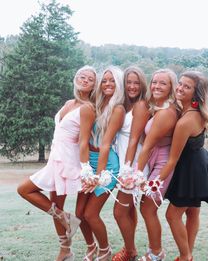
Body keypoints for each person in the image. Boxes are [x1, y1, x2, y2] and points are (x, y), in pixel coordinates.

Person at [17, 65, 97, 261]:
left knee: (24, 189)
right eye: (81, 76)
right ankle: (65, 248)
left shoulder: (87, 108)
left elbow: (84, 141)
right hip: (56, 156)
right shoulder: (69, 102)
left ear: (94, 86)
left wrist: (86, 169)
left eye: (90, 79)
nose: (84, 80)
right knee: (54, 204)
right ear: (75, 78)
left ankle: (90, 244)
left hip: (69, 159)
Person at [158, 71, 208, 261]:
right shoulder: (194, 112)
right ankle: (187, 255)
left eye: (187, 87)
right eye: (180, 83)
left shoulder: (186, 121)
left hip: (191, 170)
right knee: (192, 212)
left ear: (196, 93)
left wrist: (155, 182)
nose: (180, 88)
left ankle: (185, 256)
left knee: (172, 215)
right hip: (198, 164)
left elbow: (172, 159)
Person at [78, 66, 125, 261]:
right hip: (89, 160)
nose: (107, 84)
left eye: (112, 80)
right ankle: (91, 247)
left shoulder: (118, 108)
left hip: (107, 166)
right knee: (79, 213)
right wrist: (85, 168)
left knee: (91, 214)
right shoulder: (95, 103)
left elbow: (105, 144)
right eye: (104, 80)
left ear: (119, 83)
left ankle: (104, 251)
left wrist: (97, 177)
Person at [136, 69, 179, 261]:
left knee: (148, 208)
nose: (156, 86)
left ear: (171, 87)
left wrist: (135, 174)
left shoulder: (166, 113)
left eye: (163, 83)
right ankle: (154, 250)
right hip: (155, 159)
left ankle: (156, 253)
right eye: (154, 82)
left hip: (162, 162)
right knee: (146, 208)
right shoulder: (158, 109)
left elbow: (147, 147)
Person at [112, 66, 150, 261]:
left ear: (142, 84)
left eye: (136, 82)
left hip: (133, 162)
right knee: (128, 209)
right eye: (129, 82)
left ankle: (130, 251)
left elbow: (135, 140)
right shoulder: (124, 105)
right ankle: (131, 248)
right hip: (125, 160)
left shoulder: (141, 105)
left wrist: (127, 169)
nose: (132, 86)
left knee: (118, 211)